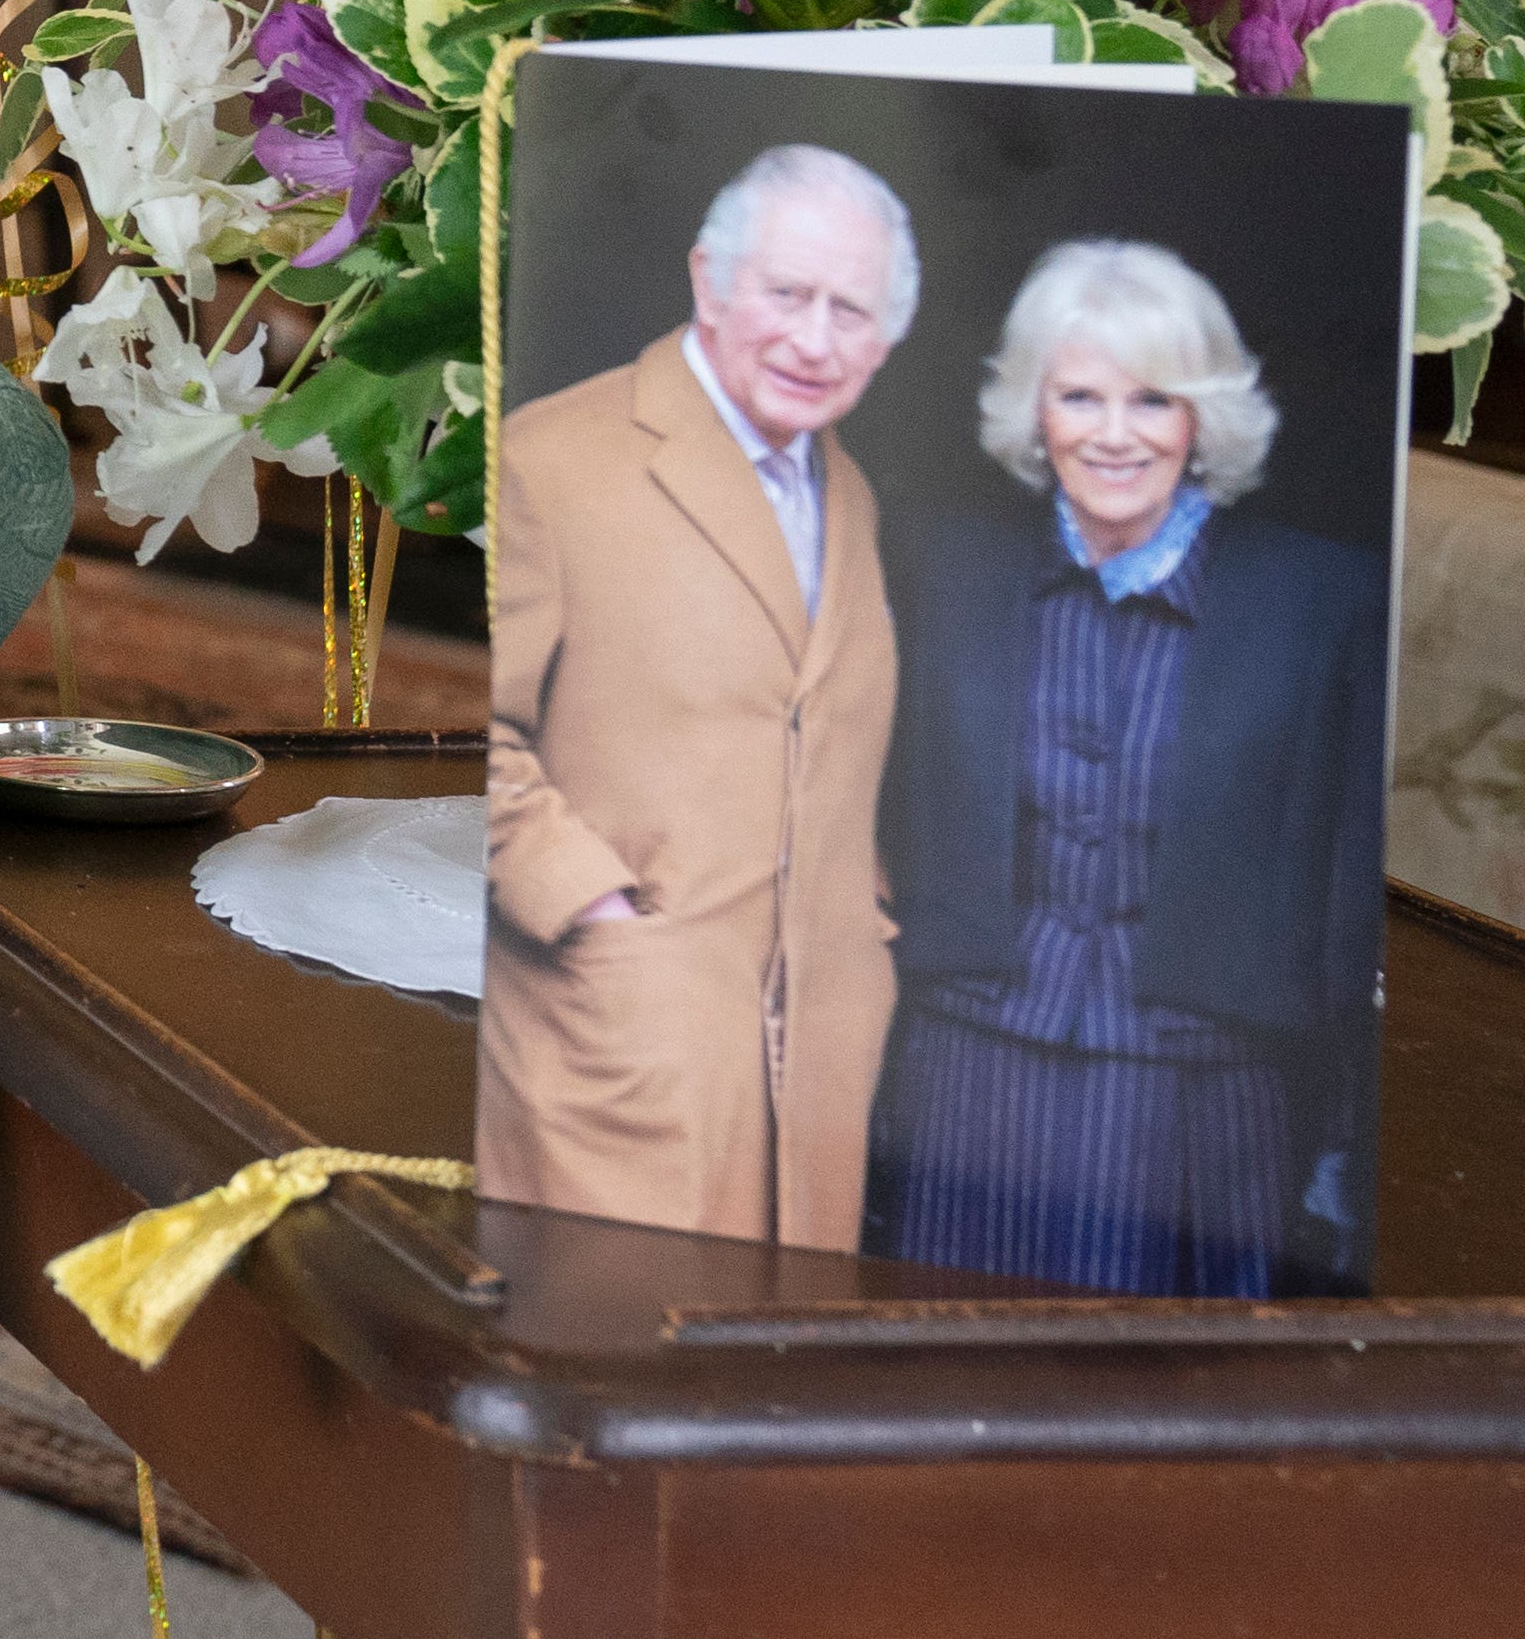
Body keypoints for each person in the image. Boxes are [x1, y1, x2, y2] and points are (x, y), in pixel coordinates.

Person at [867, 239, 1391, 1295]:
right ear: (1034, 411)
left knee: (1160, 1413)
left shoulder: (1323, 599)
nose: (1114, 434)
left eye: (1152, 399)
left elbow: (1347, 884)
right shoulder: (936, 565)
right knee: (938, 1391)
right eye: (1078, 396)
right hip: (965, 1071)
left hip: (1205, 1098)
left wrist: (1346, 1135)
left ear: (1202, 418)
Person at [479, 140, 914, 1249]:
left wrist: (861, 923)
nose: (815, 340)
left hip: (813, 1054)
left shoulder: (846, 489)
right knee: (607, 1357)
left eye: (852, 311)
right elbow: (476, 728)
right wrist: (594, 909)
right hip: (619, 1026)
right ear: (707, 280)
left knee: (762, 1377)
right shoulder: (551, 456)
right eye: (786, 293)